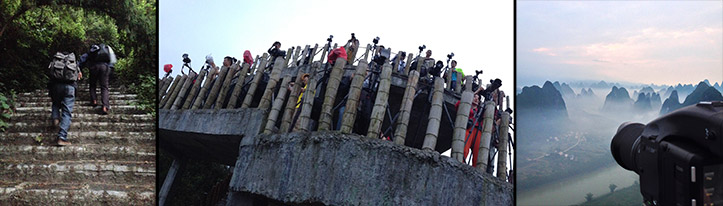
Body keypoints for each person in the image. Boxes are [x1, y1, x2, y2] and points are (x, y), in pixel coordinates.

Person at [48, 52, 82, 146]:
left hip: (56, 86)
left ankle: (55, 118)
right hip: (69, 87)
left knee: (55, 103)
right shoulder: (73, 63)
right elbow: (79, 76)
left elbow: (50, 73)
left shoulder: (55, 62)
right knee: (66, 112)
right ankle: (62, 137)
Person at [85, 44, 116, 115]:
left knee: (92, 85)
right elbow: (112, 60)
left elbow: (84, 57)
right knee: (104, 87)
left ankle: (94, 100)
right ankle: (105, 106)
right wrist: (110, 69)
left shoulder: (93, 49)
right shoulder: (108, 49)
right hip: (104, 67)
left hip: (93, 67)